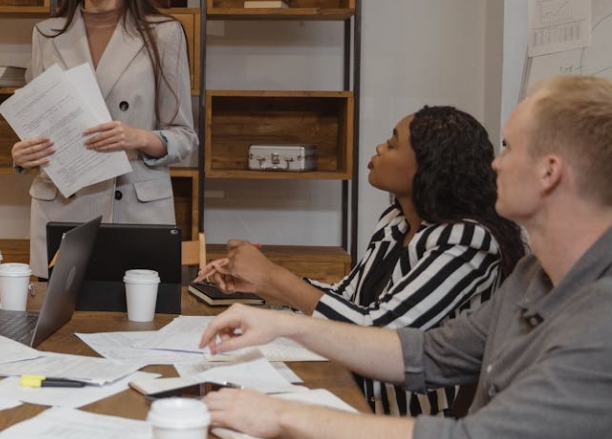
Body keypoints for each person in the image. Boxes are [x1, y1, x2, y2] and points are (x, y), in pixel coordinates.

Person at [199, 75, 612, 439]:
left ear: (550, 171)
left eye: (509, 148)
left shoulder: (601, 323)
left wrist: (282, 416)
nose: (496, 164)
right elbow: (426, 353)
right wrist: (281, 322)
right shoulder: (535, 274)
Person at [197, 106, 525, 415]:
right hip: (358, 396)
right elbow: (346, 299)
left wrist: (274, 277)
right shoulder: (396, 222)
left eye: (393, 144)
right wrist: (263, 286)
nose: (379, 148)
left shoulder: (467, 241)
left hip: (415, 423)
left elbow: (382, 334)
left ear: (427, 167)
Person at [11, 0, 197, 277]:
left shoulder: (164, 33)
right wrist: (22, 154)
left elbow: (185, 137)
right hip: (63, 208)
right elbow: (37, 123)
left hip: (133, 208)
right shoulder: (46, 35)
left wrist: (137, 136)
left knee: (136, 329)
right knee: (56, 330)